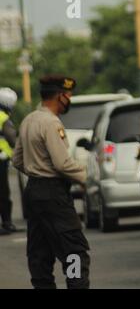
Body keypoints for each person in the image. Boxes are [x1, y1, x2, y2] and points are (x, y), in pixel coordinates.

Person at [13, 75, 90, 289]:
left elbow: (17, 160)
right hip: (54, 193)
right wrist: (88, 178)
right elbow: (62, 164)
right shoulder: (51, 123)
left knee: (40, 252)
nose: (70, 99)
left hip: (34, 191)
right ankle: (76, 285)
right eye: (69, 95)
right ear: (60, 96)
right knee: (74, 251)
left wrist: (35, 169)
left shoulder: (29, 120)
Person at [0, 87, 18, 234]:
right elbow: (12, 140)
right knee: (3, 193)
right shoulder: (4, 119)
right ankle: (7, 223)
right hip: (1, 160)